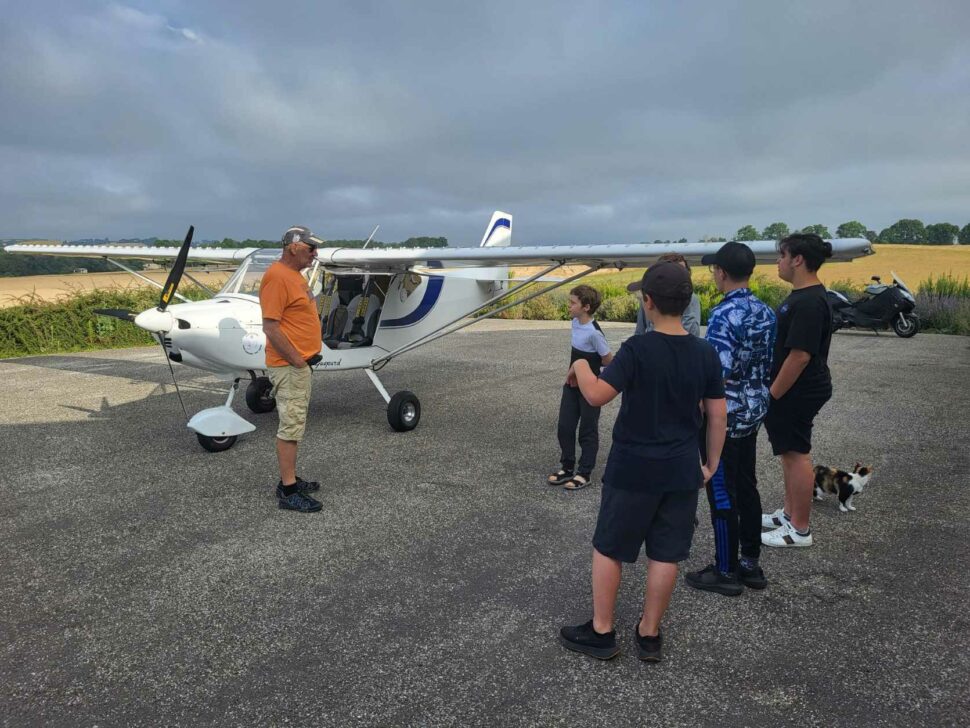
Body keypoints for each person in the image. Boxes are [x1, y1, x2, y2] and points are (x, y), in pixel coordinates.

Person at [558, 262, 726, 662]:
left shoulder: (637, 349)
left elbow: (598, 395)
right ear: (686, 302)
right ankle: (649, 633)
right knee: (666, 553)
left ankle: (602, 631)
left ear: (648, 302)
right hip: (682, 467)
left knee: (609, 546)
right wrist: (710, 465)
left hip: (633, 465)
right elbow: (717, 415)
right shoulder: (705, 353)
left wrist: (582, 365)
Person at [684, 242, 776, 596]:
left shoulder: (725, 314)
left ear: (721, 272)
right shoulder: (766, 311)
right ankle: (750, 563)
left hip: (726, 414)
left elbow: (717, 373)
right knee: (747, 484)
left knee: (721, 489)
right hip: (754, 409)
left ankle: (725, 570)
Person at [760, 233, 834, 547]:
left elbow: (800, 355)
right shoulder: (802, 296)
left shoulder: (810, 302)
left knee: (797, 455)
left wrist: (772, 394)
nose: (778, 261)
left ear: (797, 260)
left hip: (797, 391)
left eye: (781, 255)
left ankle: (799, 529)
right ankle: (789, 514)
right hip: (791, 390)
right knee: (789, 454)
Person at [259, 225, 324, 513]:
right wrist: (298, 361)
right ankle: (288, 490)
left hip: (299, 365)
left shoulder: (295, 276)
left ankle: (291, 479)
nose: (315, 253)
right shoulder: (277, 277)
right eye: (311, 248)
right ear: (294, 247)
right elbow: (270, 327)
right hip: (290, 366)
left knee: (295, 424)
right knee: (291, 426)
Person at [546, 285, 613, 491]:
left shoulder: (595, 333)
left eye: (573, 303)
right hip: (571, 384)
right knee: (565, 427)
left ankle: (584, 472)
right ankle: (567, 467)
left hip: (589, 388)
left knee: (587, 430)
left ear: (586, 307)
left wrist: (592, 378)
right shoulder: (575, 322)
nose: (569, 306)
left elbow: (608, 360)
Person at [634, 252, 701, 337]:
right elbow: (639, 331)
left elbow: (694, 333)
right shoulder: (648, 297)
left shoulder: (692, 299)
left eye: (684, 271)